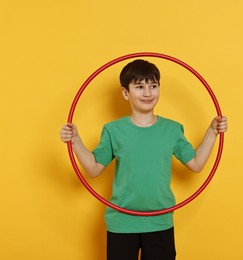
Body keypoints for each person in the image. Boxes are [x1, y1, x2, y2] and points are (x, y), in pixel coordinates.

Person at [60, 59, 228, 260]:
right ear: (125, 93)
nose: (148, 93)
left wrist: (212, 132)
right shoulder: (113, 130)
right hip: (121, 222)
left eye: (153, 86)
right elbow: (94, 169)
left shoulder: (172, 129)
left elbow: (196, 164)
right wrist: (75, 140)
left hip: (159, 222)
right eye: (139, 87)